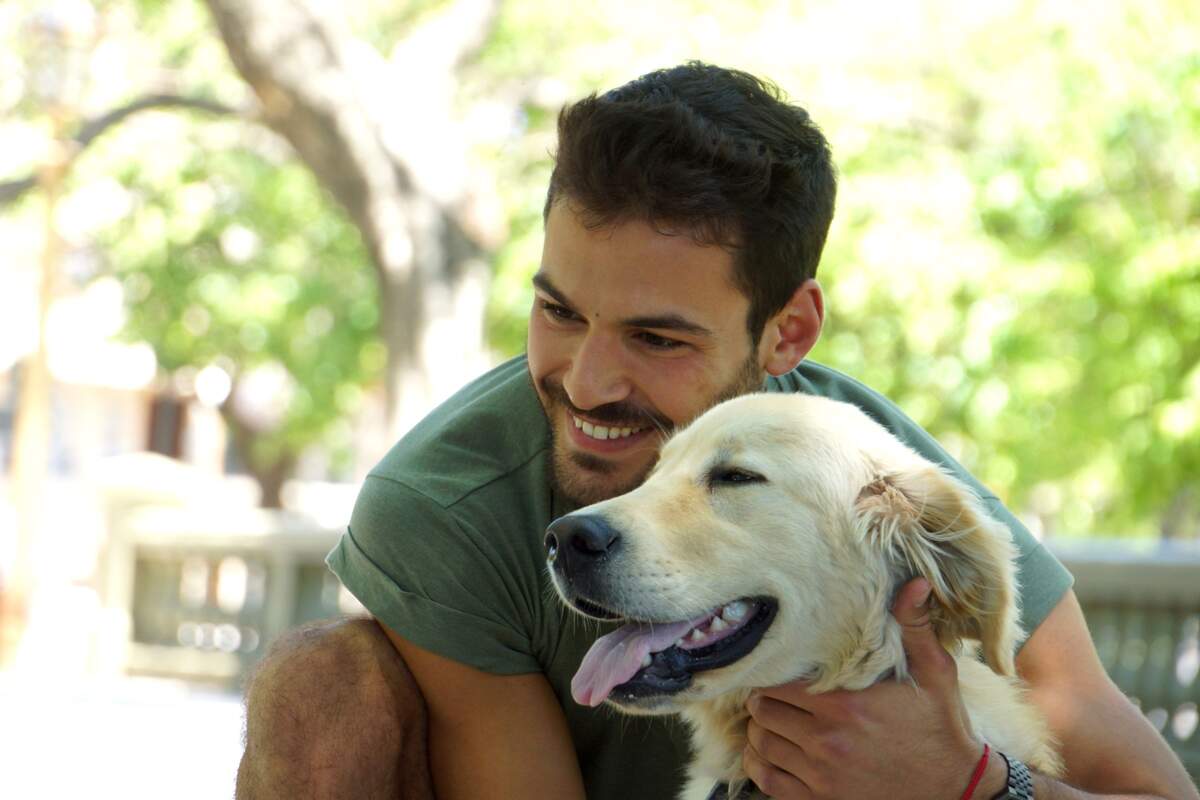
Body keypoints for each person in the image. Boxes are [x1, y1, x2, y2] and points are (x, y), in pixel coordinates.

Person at [235, 62, 1198, 800]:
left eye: (657, 338)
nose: (587, 380)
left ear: (789, 332)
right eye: (559, 311)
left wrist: (977, 785)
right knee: (319, 681)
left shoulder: (860, 473)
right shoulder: (444, 503)